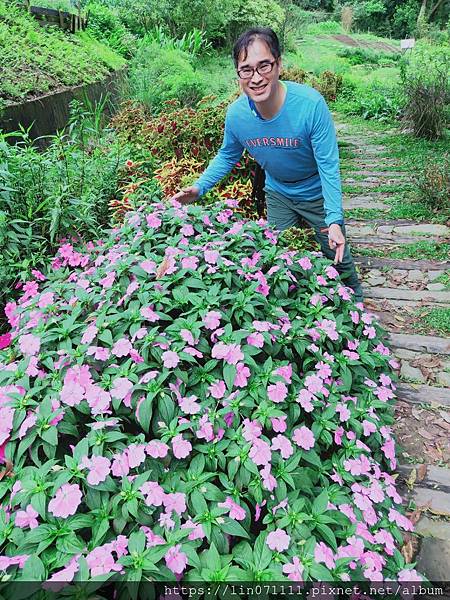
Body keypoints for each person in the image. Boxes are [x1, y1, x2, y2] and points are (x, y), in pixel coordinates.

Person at [171, 27, 363, 303]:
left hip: (316, 193)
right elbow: (228, 155)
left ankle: (357, 308)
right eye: (246, 69)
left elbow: (328, 165)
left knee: (338, 255)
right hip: (279, 193)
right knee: (275, 256)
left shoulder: (310, 105)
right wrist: (199, 188)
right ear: (238, 74)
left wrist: (334, 219)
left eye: (264, 66)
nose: (256, 77)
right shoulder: (237, 115)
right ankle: (288, 309)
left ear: (279, 64)